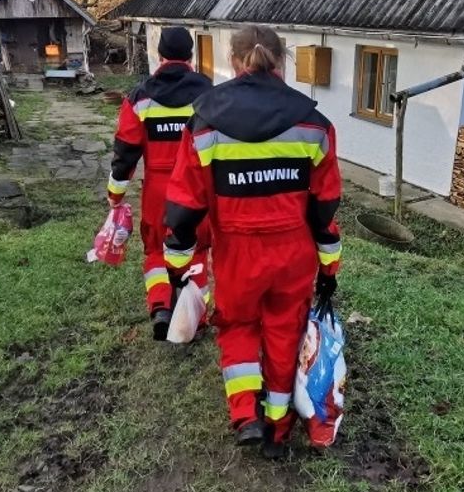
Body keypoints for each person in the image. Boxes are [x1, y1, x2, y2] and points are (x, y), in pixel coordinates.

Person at [163, 25, 342, 458]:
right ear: (280, 61)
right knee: (284, 333)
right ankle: (279, 432)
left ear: (235, 60)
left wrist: (177, 261)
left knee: (238, 327)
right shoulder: (314, 124)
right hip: (293, 254)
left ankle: (246, 416)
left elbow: (186, 205)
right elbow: (325, 207)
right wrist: (329, 267)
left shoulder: (205, 121)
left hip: (236, 255)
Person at [108, 26, 213, 340]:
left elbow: (125, 151)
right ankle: (194, 319)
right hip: (197, 192)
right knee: (195, 251)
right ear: (191, 56)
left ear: (161, 55)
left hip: (158, 191)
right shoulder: (209, 94)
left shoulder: (140, 96)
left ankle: (160, 308)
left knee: (156, 250)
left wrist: (115, 194)